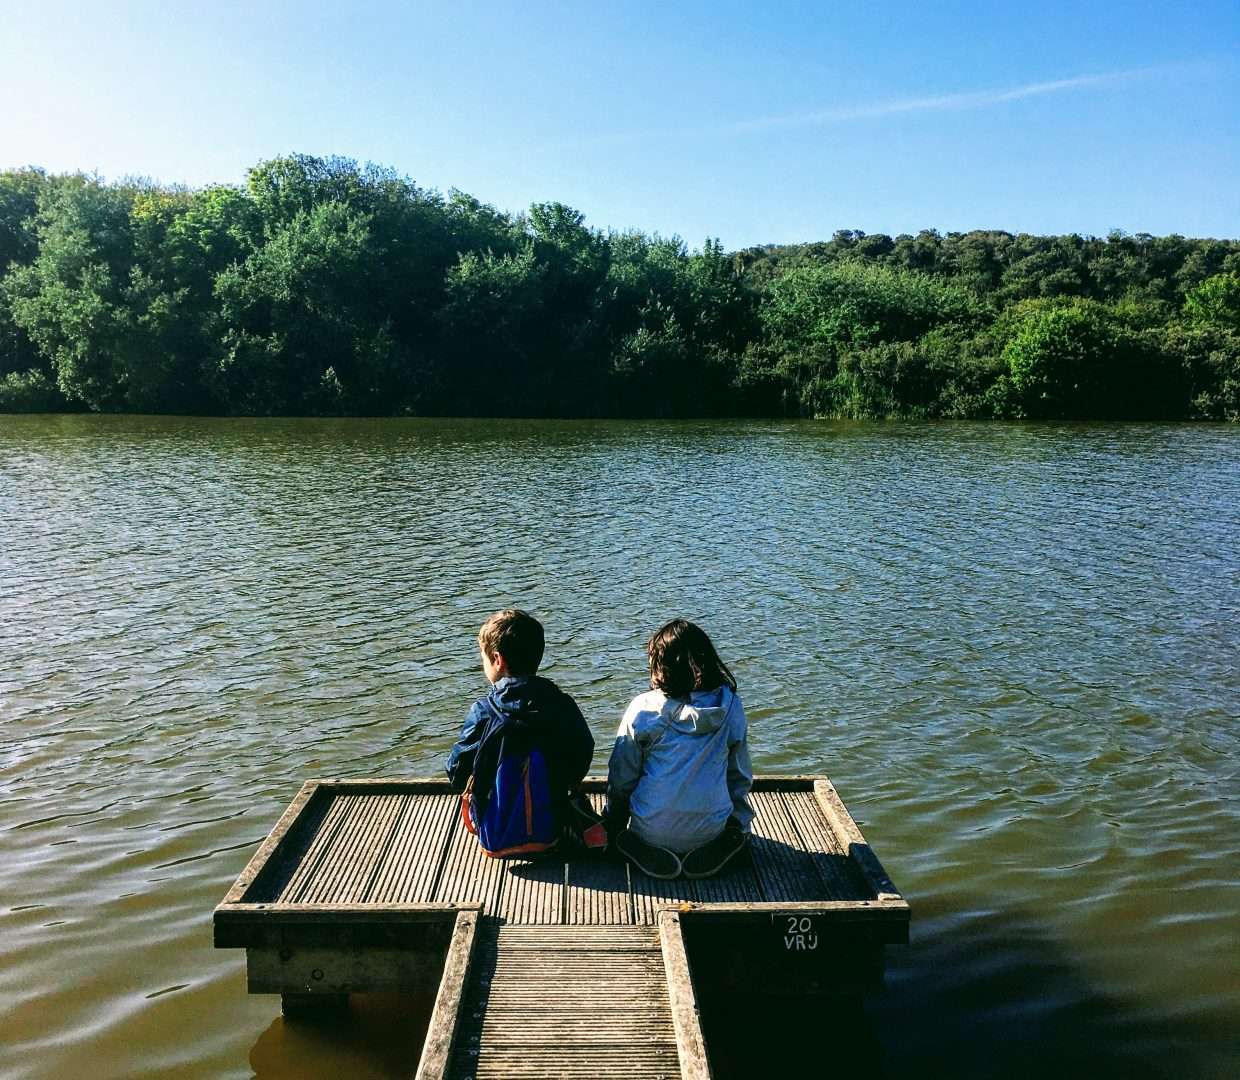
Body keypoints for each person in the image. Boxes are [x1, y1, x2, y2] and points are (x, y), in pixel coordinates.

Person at [605, 619, 754, 880]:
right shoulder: (730, 706)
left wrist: (613, 819)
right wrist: (738, 823)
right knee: (731, 827)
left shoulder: (643, 708)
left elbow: (622, 776)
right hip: (712, 829)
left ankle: (632, 841)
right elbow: (739, 776)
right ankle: (725, 841)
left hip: (650, 828)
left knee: (624, 829)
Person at [446, 609, 595, 851]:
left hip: (494, 835)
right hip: (552, 830)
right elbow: (583, 752)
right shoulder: (561, 704)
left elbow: (456, 771)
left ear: (497, 660)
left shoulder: (483, 711)